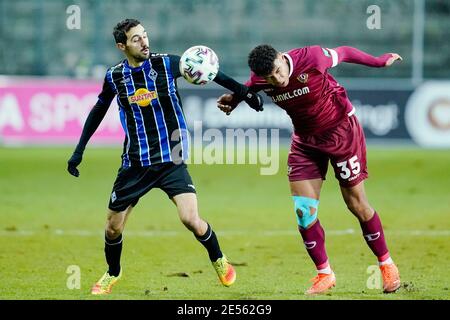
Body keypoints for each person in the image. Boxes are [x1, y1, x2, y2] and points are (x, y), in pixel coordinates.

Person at [67, 18, 263, 295]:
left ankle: (219, 259)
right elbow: (99, 109)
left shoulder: (166, 64)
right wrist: (79, 150)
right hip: (135, 163)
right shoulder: (115, 77)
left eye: (144, 35)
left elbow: (213, 72)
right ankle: (113, 272)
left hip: (171, 158)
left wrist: (245, 93)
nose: (144, 41)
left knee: (191, 219)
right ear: (122, 46)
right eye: (136, 38)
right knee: (113, 228)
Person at [217, 44, 402, 295]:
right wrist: (234, 100)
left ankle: (387, 265)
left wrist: (379, 61)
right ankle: (325, 273)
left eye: (278, 71)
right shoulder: (261, 78)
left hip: (341, 132)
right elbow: (248, 88)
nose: (277, 80)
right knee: (304, 211)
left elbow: (345, 52)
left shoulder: (312, 58)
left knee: (357, 204)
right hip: (305, 141)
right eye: (270, 78)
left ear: (282, 58)